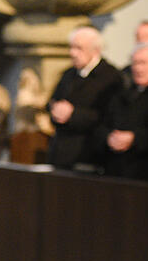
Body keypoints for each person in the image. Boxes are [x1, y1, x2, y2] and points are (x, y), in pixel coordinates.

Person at [96, 43, 148, 180]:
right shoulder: (122, 94)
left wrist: (135, 138)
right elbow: (103, 124)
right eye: (134, 63)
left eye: (143, 63)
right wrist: (109, 137)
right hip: (116, 170)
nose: (138, 68)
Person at [47, 26, 123, 169]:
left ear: (96, 50)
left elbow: (108, 117)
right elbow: (51, 102)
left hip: (88, 155)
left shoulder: (110, 77)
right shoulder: (69, 74)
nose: (72, 53)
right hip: (60, 152)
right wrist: (55, 110)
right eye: (71, 47)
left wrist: (73, 114)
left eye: (79, 48)